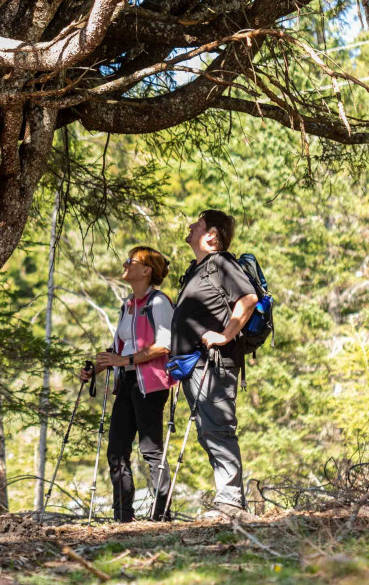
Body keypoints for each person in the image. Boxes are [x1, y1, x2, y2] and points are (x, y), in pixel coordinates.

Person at [171, 209, 259, 520]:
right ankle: (228, 500)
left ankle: (231, 503)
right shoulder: (197, 269)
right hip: (194, 364)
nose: (191, 226)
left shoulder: (221, 263)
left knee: (218, 429)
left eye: (197, 223)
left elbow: (248, 298)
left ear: (211, 235)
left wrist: (225, 334)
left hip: (213, 363)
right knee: (208, 431)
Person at [80, 246, 174, 522]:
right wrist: (95, 369)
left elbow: (165, 344)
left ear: (146, 271)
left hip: (152, 383)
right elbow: (116, 350)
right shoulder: (128, 305)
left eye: (131, 262)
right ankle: (123, 516)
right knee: (117, 449)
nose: (125, 264)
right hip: (127, 382)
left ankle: (162, 513)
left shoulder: (158, 303)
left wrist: (126, 360)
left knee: (150, 449)